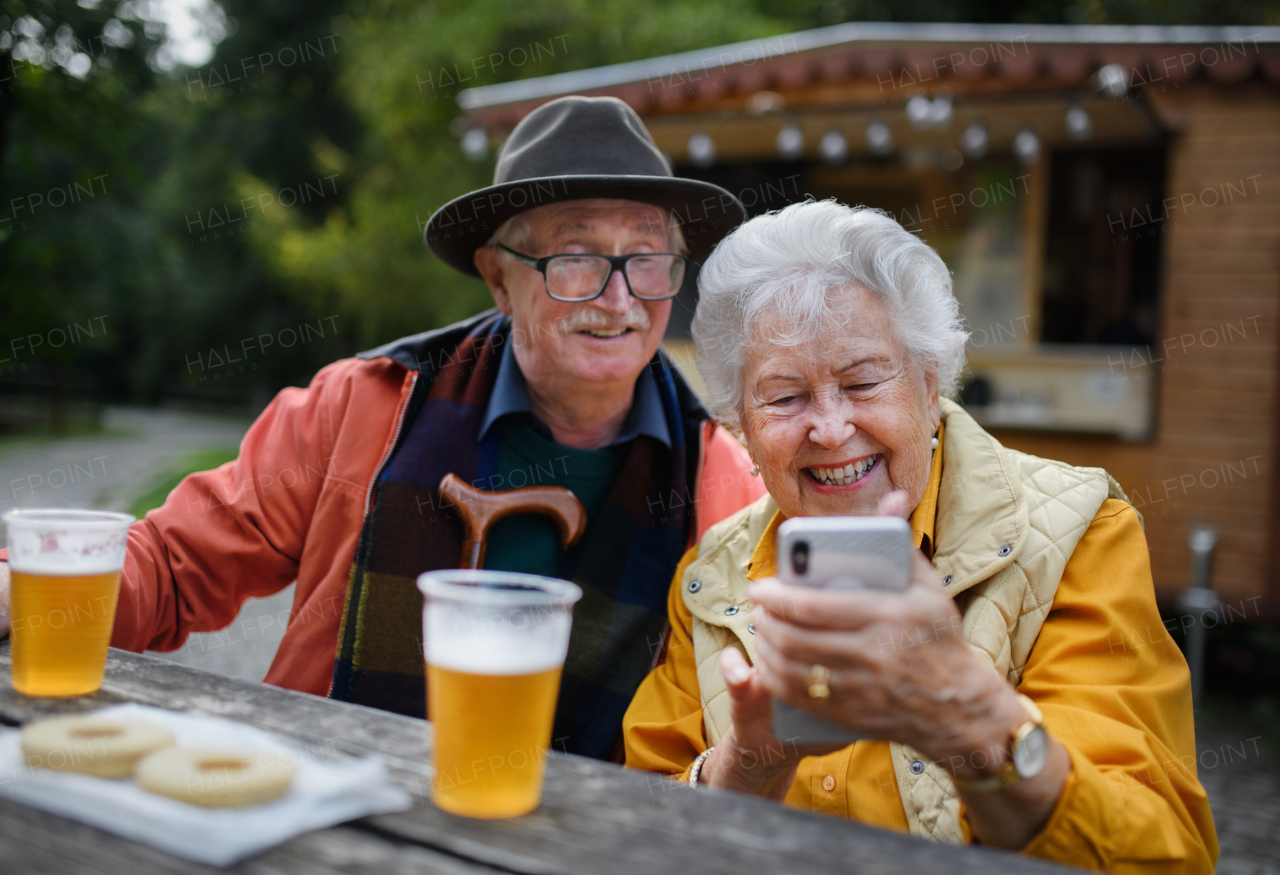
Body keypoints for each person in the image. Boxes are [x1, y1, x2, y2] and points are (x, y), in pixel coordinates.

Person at [0, 96, 765, 761]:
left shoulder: (721, 483)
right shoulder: (364, 407)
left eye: (648, 257)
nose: (619, 298)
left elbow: (737, 718)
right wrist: (18, 589)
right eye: (576, 257)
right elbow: (173, 568)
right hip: (334, 812)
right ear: (499, 277)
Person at [622, 199, 1218, 869]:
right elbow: (641, 832)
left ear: (929, 384)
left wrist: (970, 718)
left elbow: (1163, 852)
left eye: (864, 380)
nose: (830, 427)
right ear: (744, 429)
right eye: (785, 396)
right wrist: (748, 762)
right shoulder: (710, 578)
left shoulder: (1077, 531)